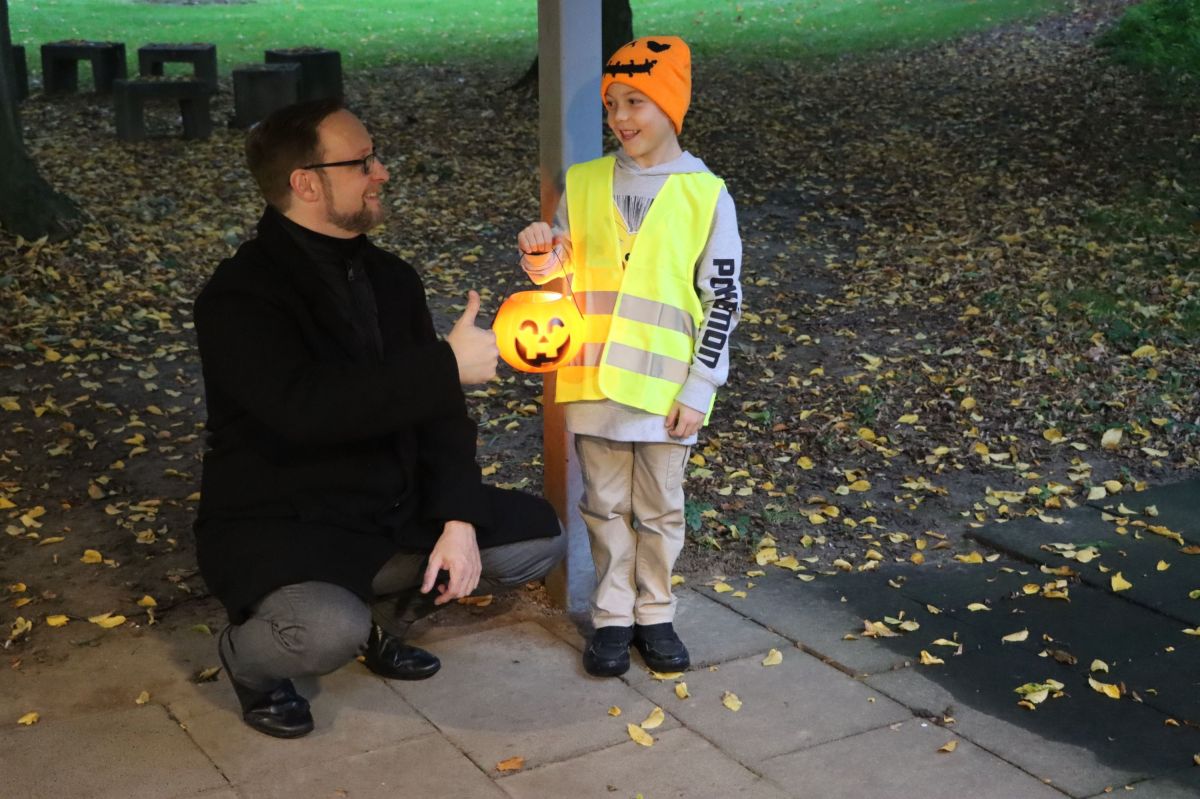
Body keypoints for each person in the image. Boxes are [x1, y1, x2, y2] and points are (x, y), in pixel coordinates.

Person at [193, 99, 564, 738]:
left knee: (538, 537)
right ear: (306, 183)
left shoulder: (392, 279)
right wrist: (444, 366)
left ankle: (380, 623)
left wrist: (457, 520)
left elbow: (440, 418)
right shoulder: (238, 296)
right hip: (287, 521)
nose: (382, 172)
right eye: (362, 162)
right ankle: (251, 663)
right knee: (321, 632)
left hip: (388, 506)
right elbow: (304, 410)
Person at [515, 36, 742, 677]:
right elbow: (559, 282)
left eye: (635, 101)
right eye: (612, 103)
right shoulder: (584, 183)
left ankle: (656, 615)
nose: (619, 116)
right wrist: (540, 254)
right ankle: (613, 619)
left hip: (666, 393)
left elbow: (723, 298)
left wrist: (700, 387)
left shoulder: (706, 194)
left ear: (672, 105)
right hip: (593, 383)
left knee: (661, 509)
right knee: (605, 507)